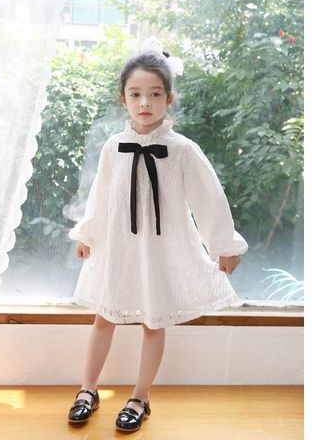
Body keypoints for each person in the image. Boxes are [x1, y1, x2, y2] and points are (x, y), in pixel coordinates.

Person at [67, 36, 248, 433]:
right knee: (104, 316)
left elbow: (209, 199)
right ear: (123, 99)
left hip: (160, 250)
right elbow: (101, 197)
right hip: (118, 248)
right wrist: (88, 234)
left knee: (153, 321)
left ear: (169, 98)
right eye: (135, 94)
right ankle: (87, 389)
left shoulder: (182, 150)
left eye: (154, 94)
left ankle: (140, 395)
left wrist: (225, 246)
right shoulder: (114, 147)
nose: (144, 102)